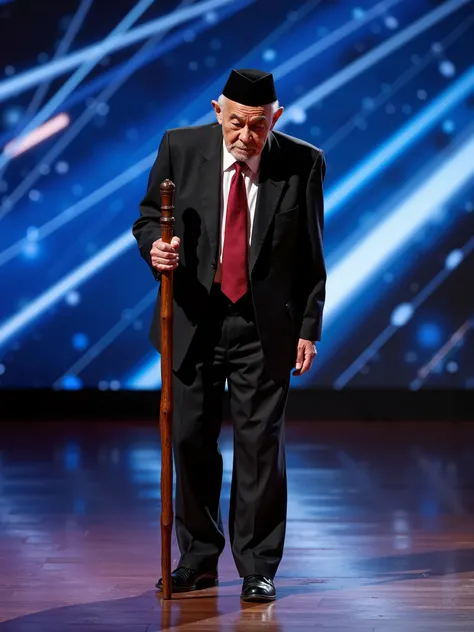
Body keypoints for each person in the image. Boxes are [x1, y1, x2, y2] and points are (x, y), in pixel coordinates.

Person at [132, 68, 326, 602]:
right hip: (194, 317)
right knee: (191, 441)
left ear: (276, 119)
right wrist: (156, 248)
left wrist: (308, 327)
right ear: (218, 111)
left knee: (261, 448)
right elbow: (149, 219)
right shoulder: (179, 147)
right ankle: (197, 559)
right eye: (236, 122)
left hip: (264, 327)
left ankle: (258, 565)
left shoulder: (302, 163)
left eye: (258, 126)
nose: (245, 136)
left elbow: (311, 255)